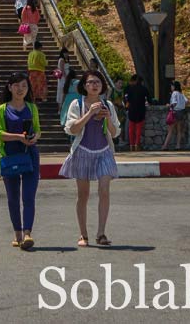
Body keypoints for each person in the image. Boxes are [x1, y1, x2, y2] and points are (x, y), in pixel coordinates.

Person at [60, 70, 119, 247]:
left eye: (98, 82)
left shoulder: (107, 105)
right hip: (83, 151)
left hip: (104, 151)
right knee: (83, 194)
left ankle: (101, 233)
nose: (94, 85)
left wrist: (107, 117)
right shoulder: (76, 104)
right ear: (84, 86)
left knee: (104, 190)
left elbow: (115, 132)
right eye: (91, 82)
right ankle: (83, 234)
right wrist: (89, 114)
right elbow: (72, 129)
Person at [0, 72, 41, 250]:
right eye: (16, 85)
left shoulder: (32, 107)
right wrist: (18, 137)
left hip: (30, 155)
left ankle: (28, 233)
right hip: (10, 156)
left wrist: (34, 137)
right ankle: (18, 235)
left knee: (29, 196)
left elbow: (38, 130)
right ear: (10, 87)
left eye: (24, 85)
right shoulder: (2, 109)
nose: (20, 89)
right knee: (13, 198)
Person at [124, 74, 151, 152]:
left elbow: (127, 99)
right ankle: (137, 144)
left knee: (131, 128)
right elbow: (149, 99)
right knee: (139, 128)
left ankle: (131, 145)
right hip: (141, 110)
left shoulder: (130, 89)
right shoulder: (144, 89)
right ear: (141, 82)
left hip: (132, 110)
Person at [161, 80, 188, 150]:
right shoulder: (181, 94)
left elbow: (174, 103)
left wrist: (169, 105)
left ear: (174, 86)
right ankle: (178, 146)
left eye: (172, 86)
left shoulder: (174, 93)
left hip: (174, 113)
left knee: (170, 130)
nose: (171, 87)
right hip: (181, 112)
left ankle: (165, 146)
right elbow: (186, 101)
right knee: (179, 130)